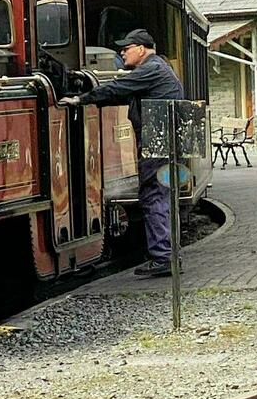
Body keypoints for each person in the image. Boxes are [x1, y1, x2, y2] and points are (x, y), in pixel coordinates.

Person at [61, 28, 184, 278]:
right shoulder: (158, 69)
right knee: (162, 198)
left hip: (157, 145)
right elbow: (122, 94)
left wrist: (79, 100)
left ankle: (163, 257)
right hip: (164, 143)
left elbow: (119, 87)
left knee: (153, 197)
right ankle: (168, 255)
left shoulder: (150, 69)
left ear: (141, 49)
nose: (122, 52)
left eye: (126, 48)